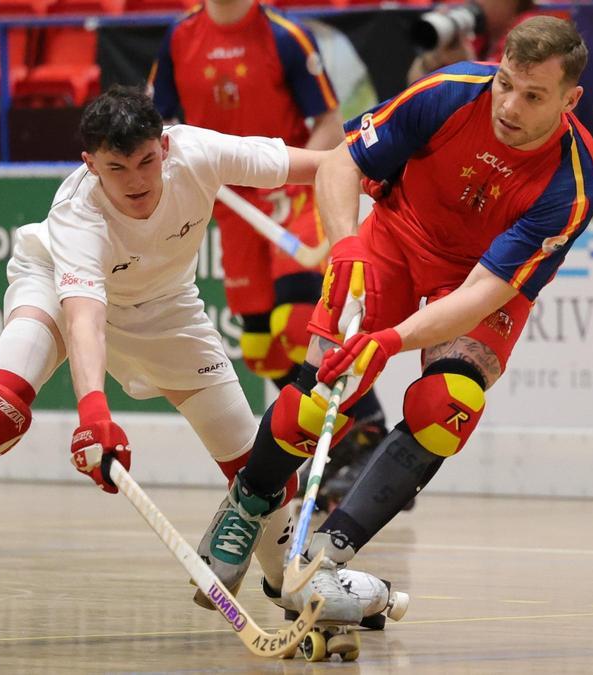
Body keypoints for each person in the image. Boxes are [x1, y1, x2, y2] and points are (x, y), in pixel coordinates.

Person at [0, 87, 394, 650]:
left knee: (258, 460)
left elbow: (325, 163)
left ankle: (294, 574)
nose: (137, 181)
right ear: (90, 165)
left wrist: (381, 171)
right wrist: (94, 410)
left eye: (146, 161)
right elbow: (84, 318)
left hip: (168, 308)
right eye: (117, 168)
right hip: (54, 286)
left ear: (164, 145)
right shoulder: (77, 215)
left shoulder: (197, 151)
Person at [197, 16, 593, 624]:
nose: (511, 107)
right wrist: (345, 246)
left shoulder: (573, 183)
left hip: (475, 283)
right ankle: (247, 503)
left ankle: (326, 557)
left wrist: (391, 340)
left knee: (448, 408)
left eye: (534, 96)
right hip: (394, 239)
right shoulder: (448, 92)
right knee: (322, 388)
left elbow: (484, 291)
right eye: (506, 85)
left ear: (570, 100)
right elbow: (340, 164)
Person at [149, 0, 392, 512]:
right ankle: (333, 431)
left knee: (296, 319)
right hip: (231, 204)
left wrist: (309, 173)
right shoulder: (179, 39)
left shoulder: (285, 37)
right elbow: (161, 124)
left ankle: (366, 426)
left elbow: (328, 119)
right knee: (260, 345)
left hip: (289, 192)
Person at [408, 0, 569, 83]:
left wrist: (467, 65)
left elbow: (509, 106)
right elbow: (412, 86)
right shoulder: (477, 32)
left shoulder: (535, 31)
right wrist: (429, 61)